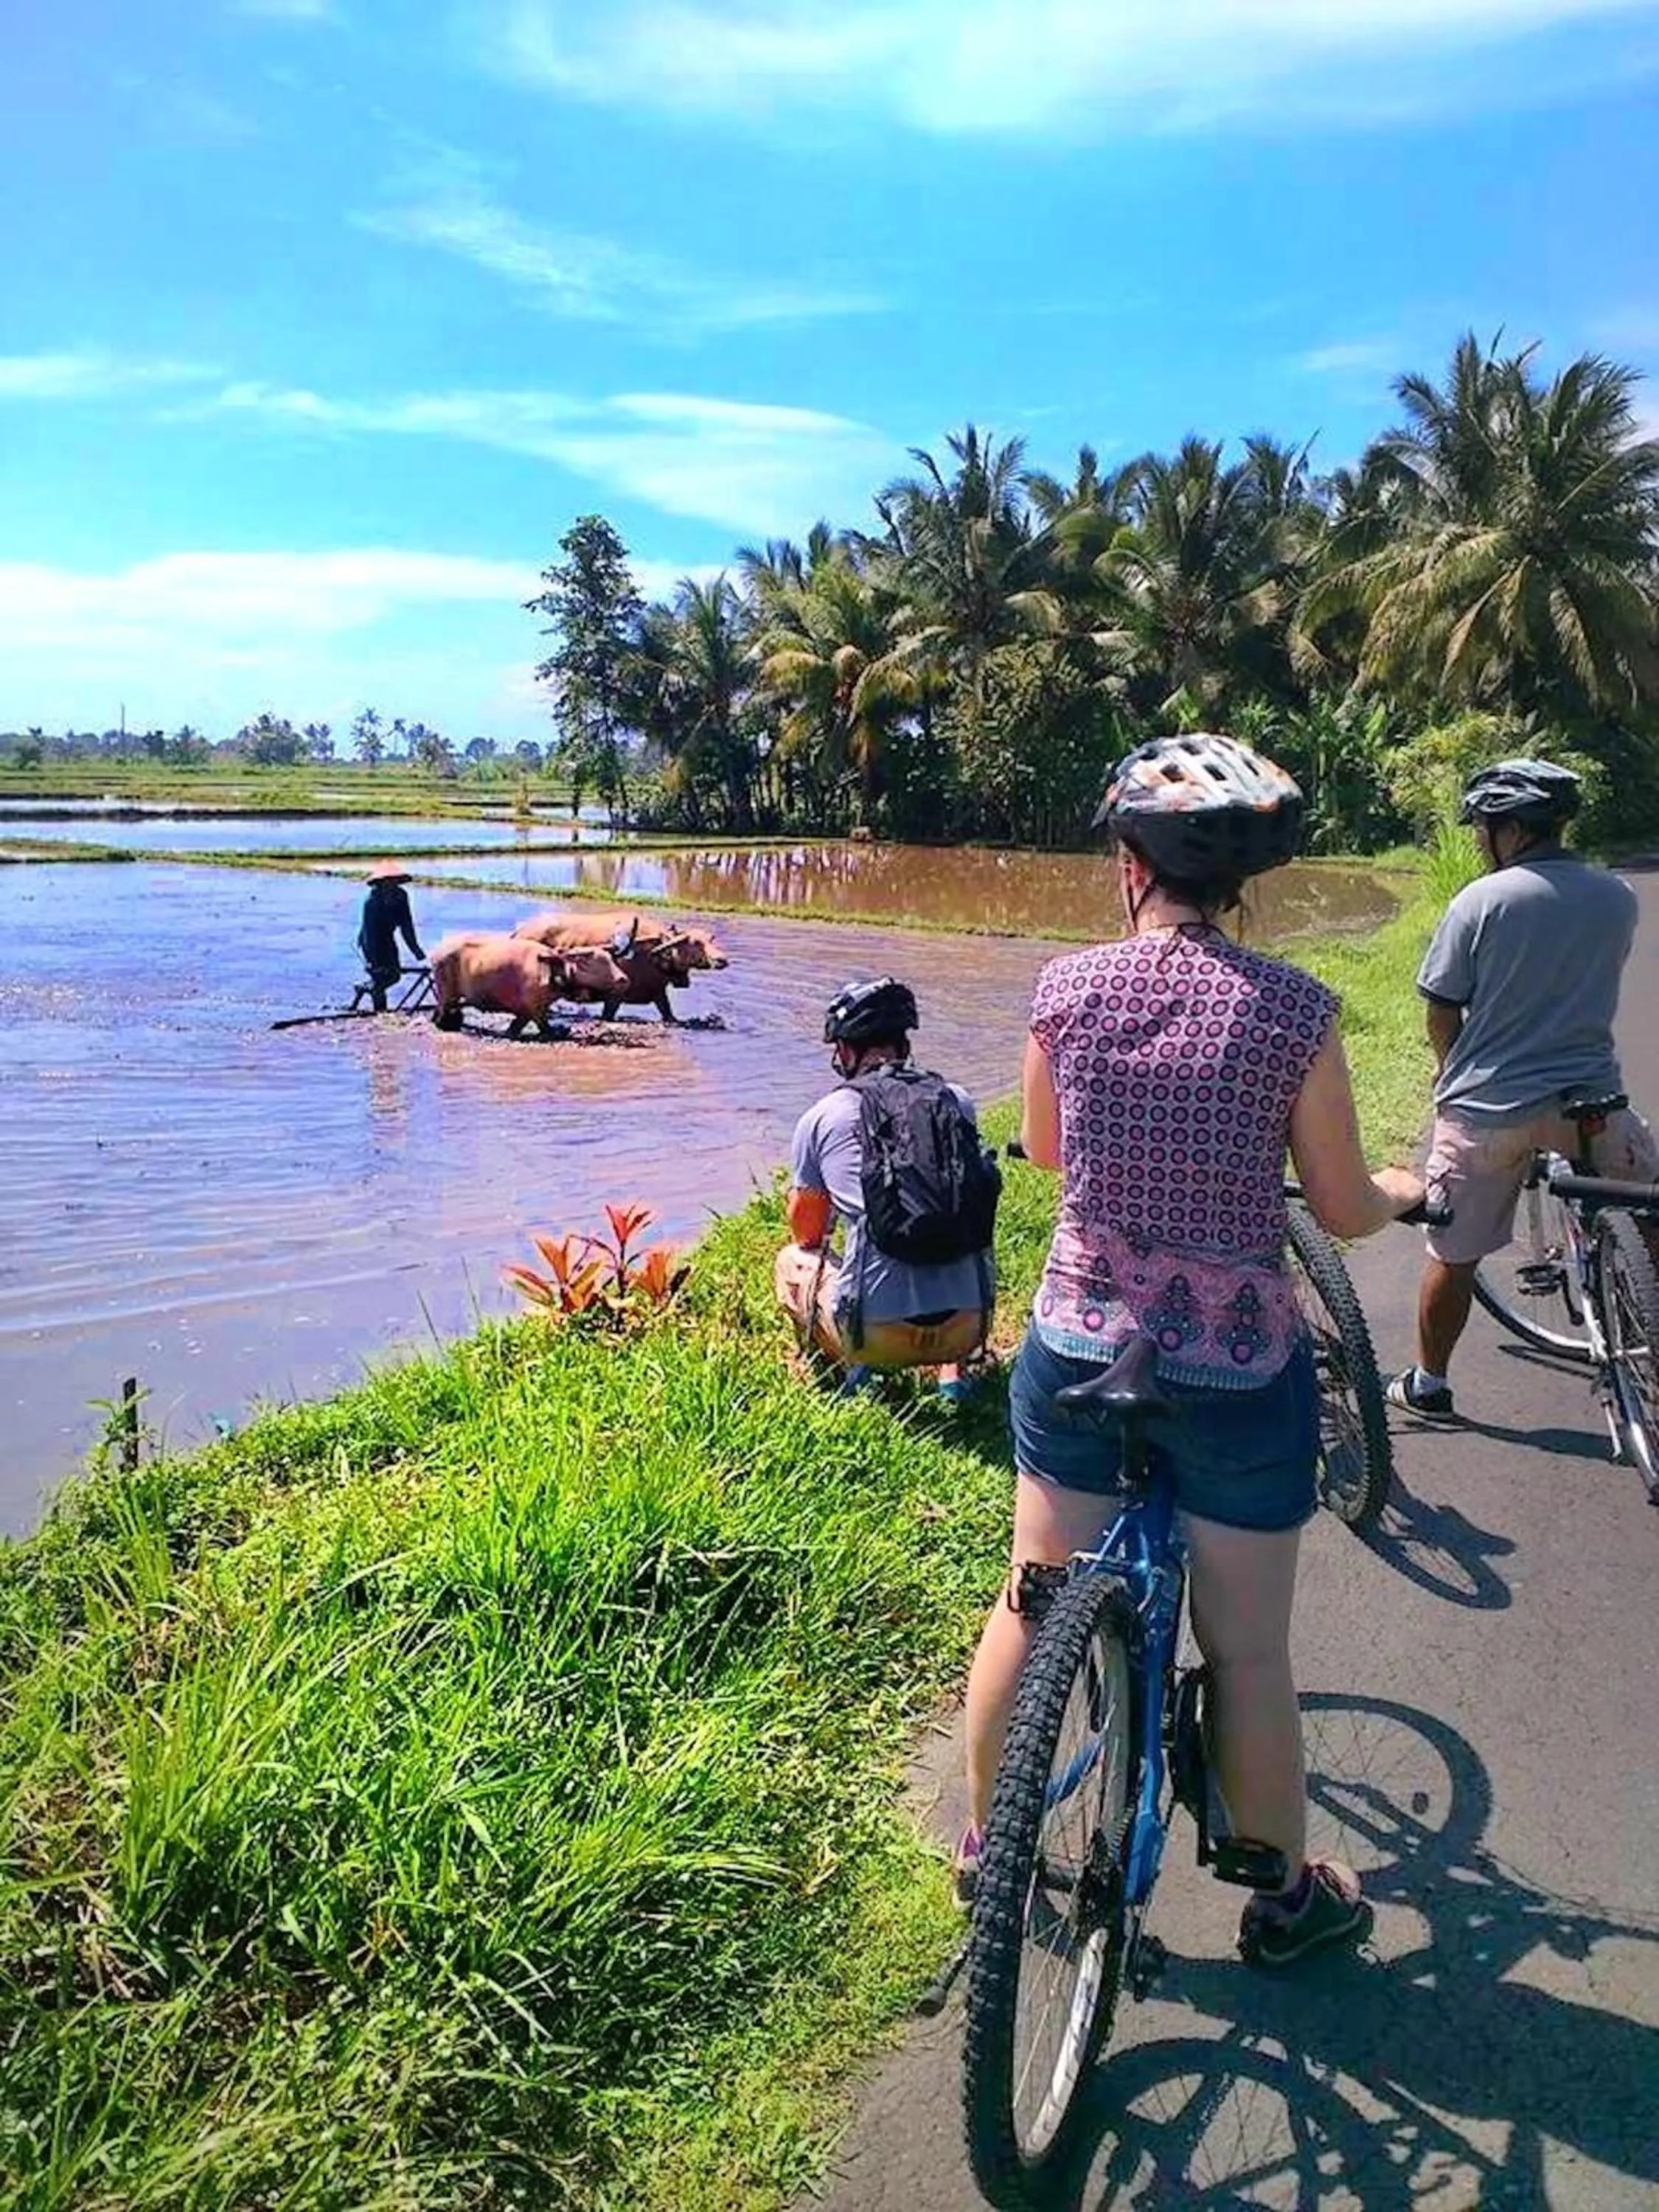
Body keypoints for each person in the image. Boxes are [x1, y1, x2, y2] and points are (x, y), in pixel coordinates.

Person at [959, 732, 1425, 1968]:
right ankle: (1282, 1901)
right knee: (1251, 1649)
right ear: (1246, 885)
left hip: (1078, 1347)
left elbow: (1050, 1154)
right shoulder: (1295, 1013)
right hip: (1234, 1369)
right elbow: (1337, 1207)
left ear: (1129, 864)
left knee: (1031, 1592)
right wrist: (1395, 1185)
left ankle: (986, 1847)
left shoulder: (1065, 989)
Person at [1386, 759, 1657, 1422]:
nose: (1478, 839)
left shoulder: (1480, 901)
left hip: (1489, 1109)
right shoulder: (1617, 897)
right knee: (1649, 1216)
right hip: (1591, 1102)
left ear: (1511, 829)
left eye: (1482, 827)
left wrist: (1449, 1070)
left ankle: (1430, 1383)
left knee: (1453, 1252)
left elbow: (1443, 1007)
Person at [774, 978, 995, 1399]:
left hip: (876, 1339)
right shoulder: (957, 1102)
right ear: (905, 1045)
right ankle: (953, 1378)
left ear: (845, 1051)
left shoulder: (822, 1117)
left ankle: (858, 1375)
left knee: (792, 1259)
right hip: (968, 1328)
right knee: (950, 1218)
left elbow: (807, 1233)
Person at [357, 861, 425, 1013]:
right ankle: (380, 1014)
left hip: (388, 938)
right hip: (372, 939)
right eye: (387, 882)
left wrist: (415, 950)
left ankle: (366, 989)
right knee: (381, 977)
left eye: (394, 881)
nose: (391, 885)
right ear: (380, 883)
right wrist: (371, 959)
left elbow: (406, 925)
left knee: (395, 976)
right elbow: (370, 933)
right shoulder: (372, 902)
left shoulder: (401, 896)